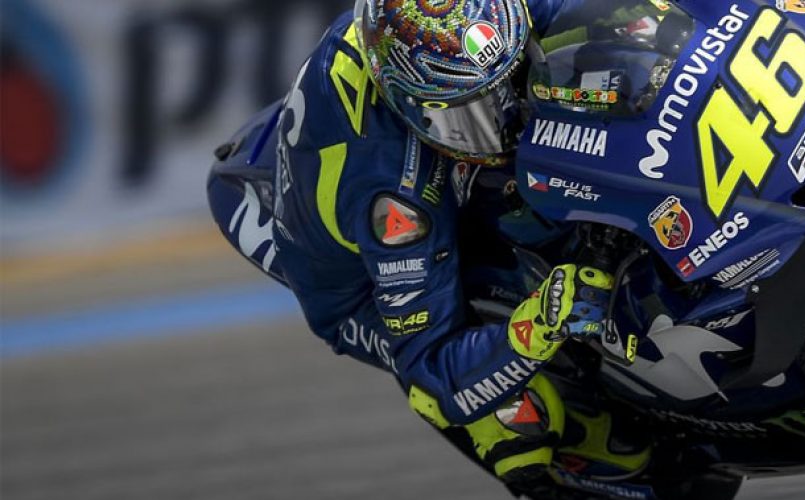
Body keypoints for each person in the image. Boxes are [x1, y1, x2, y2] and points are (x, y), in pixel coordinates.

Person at [206, 0, 651, 492]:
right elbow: (433, 367)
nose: (504, 116)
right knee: (518, 423)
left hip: (402, 130)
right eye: (472, 114)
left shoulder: (476, 21)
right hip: (359, 287)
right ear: (409, 105)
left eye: (509, 80)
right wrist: (541, 323)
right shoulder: (391, 195)